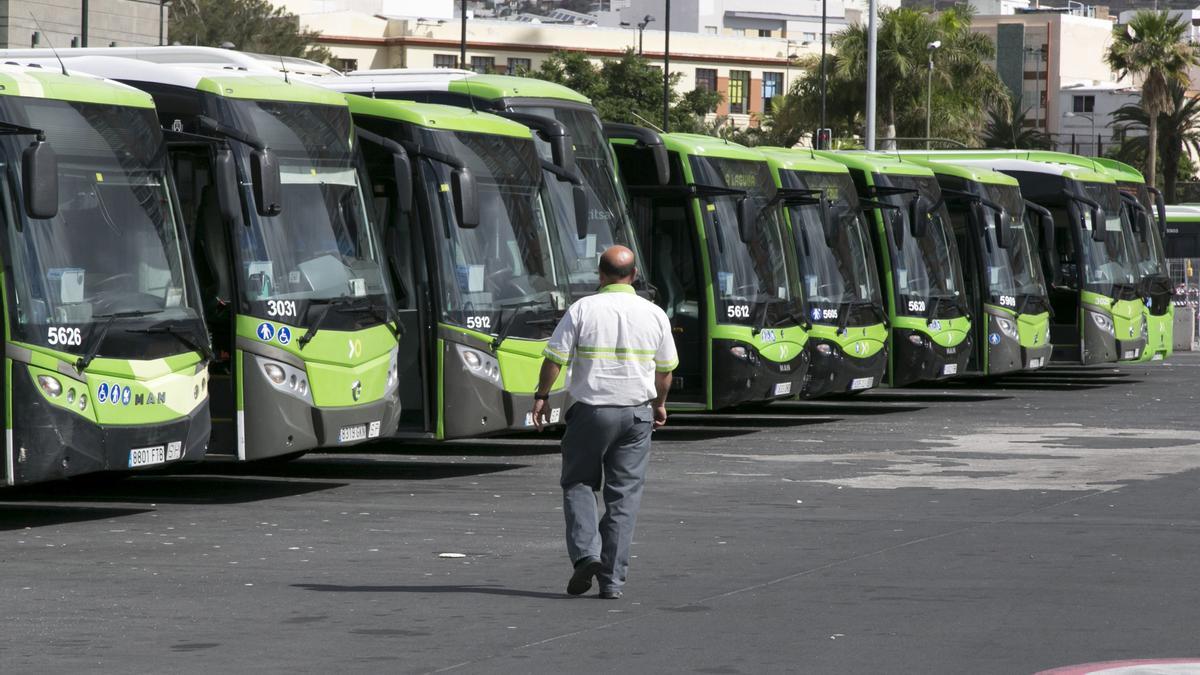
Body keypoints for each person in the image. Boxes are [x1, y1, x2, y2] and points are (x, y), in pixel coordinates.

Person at [530, 245, 677, 600]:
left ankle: (586, 555)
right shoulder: (654, 313)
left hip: (592, 412)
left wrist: (542, 394)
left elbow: (555, 357)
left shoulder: (583, 309)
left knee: (579, 482)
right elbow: (666, 370)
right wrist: (659, 405)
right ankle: (612, 582)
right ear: (635, 275)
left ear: (600, 274)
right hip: (637, 413)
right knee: (623, 498)